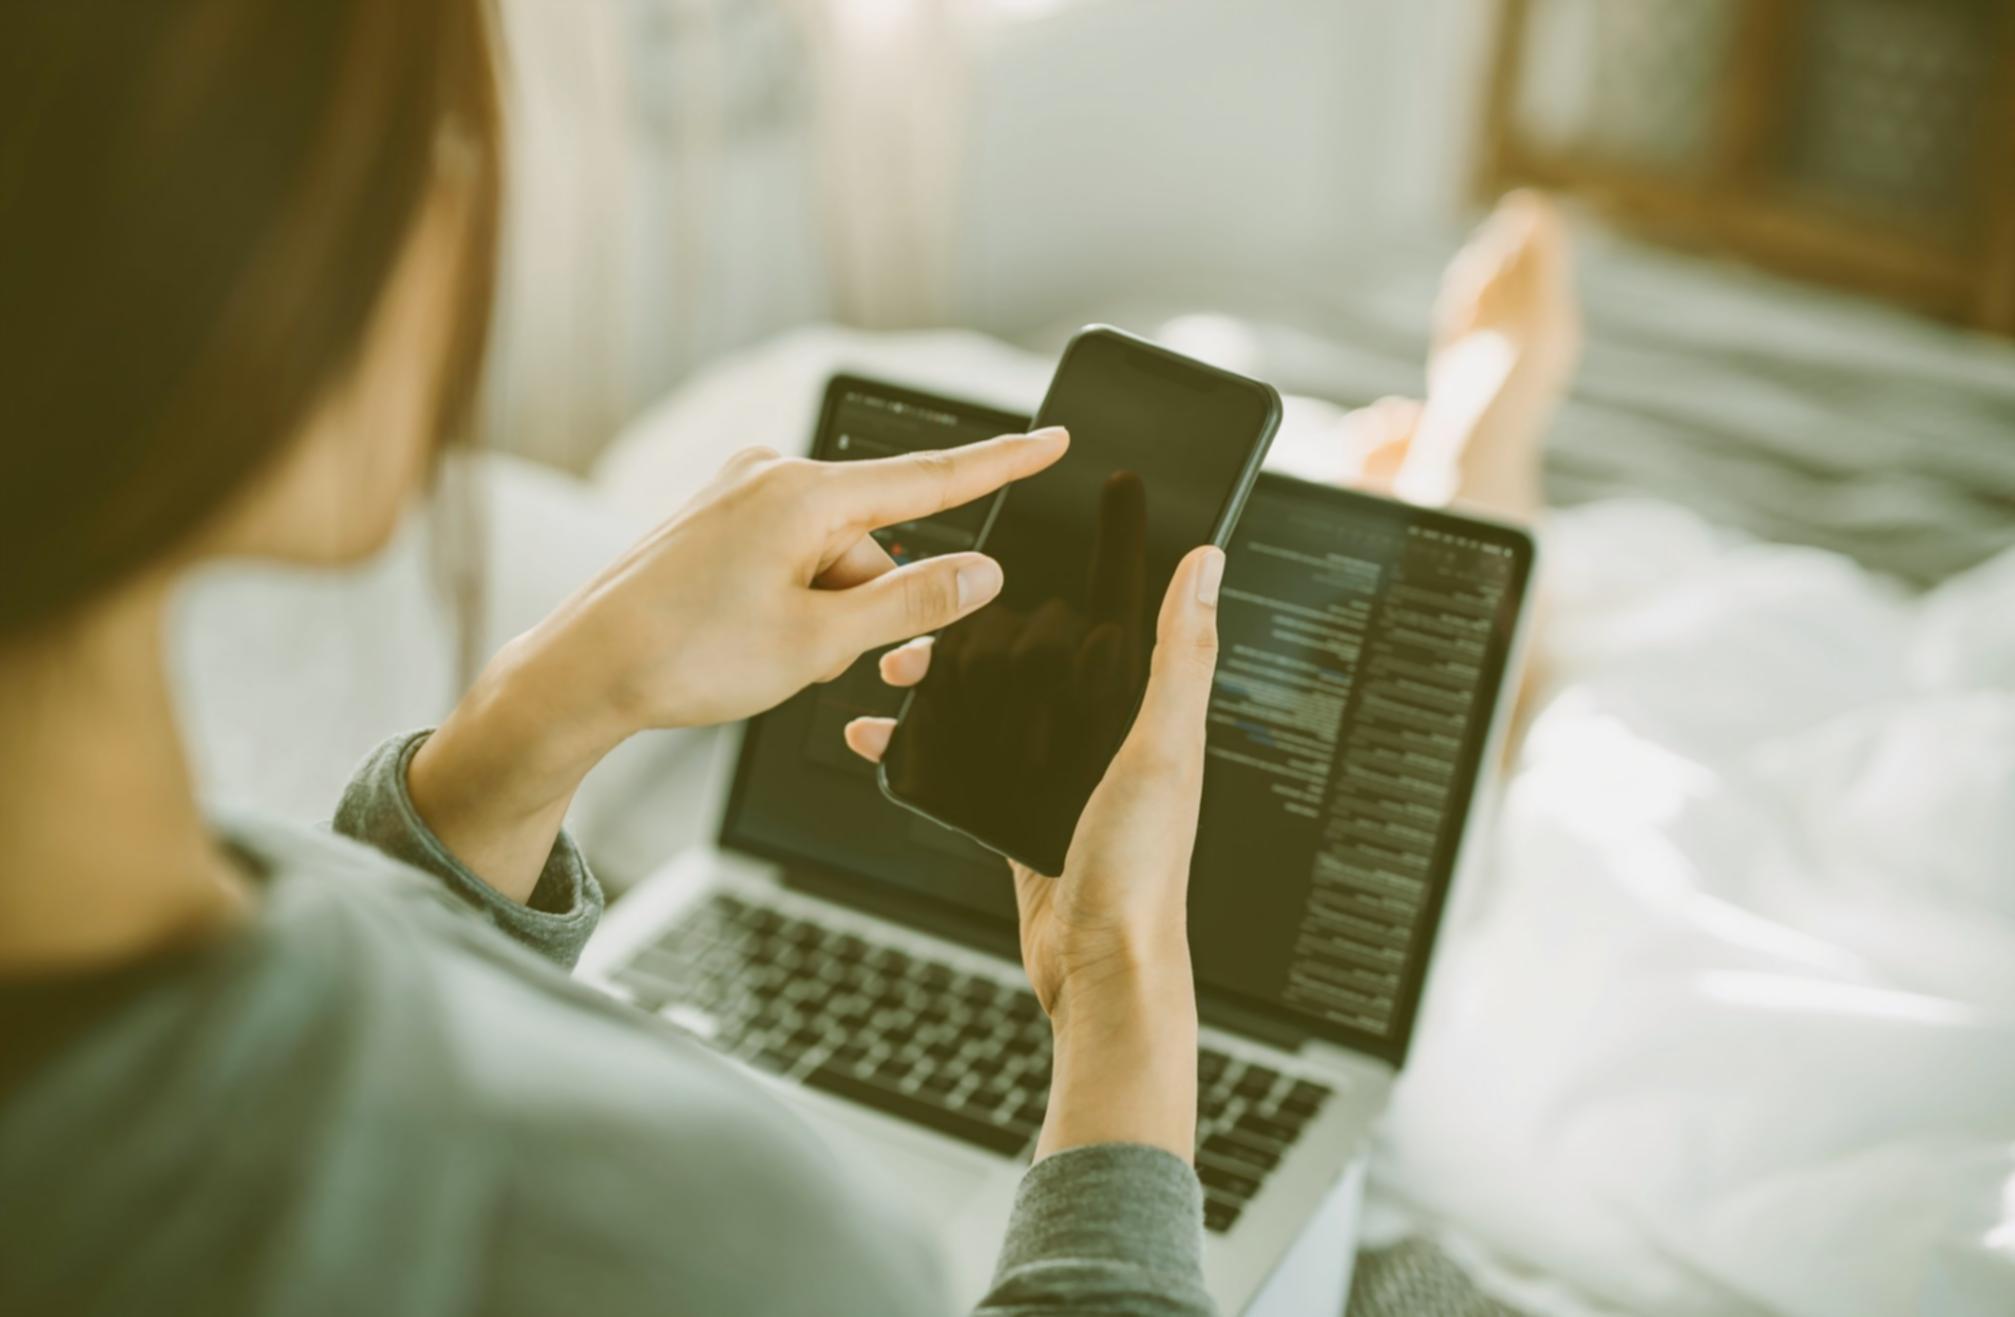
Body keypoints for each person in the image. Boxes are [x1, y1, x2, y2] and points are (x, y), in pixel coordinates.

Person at [0, 5, 1578, 1315]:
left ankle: (1452, 481)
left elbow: (284, 1021)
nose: (459, 207)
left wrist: (554, 706)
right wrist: (1122, 994)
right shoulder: (681, 1235)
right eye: (425, 140)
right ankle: (1469, 474)